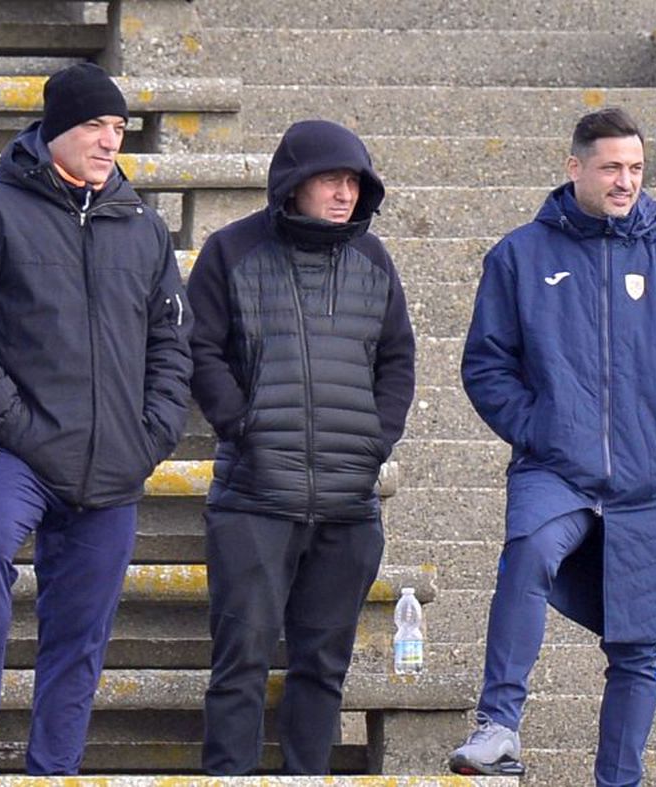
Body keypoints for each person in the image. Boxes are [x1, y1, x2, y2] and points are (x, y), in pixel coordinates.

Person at [0, 62, 192, 778]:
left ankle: (54, 766)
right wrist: (12, 418)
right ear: (55, 130)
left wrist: (152, 434)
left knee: (83, 628)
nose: (110, 141)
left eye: (119, 129)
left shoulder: (144, 227)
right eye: (95, 126)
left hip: (114, 459)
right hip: (17, 446)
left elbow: (172, 342)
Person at [450, 108, 656, 785]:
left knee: (637, 647)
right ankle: (498, 727)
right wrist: (541, 428)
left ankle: (619, 780)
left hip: (649, 480)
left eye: (635, 168)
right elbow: (487, 365)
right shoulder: (520, 256)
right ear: (574, 167)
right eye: (611, 167)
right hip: (556, 467)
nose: (625, 181)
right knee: (529, 552)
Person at [187, 119, 416, 775]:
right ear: (294, 184)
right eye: (330, 180)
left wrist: (374, 440)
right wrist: (242, 424)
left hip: (348, 504)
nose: (345, 194)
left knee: (323, 666)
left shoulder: (374, 260)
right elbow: (198, 348)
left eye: (354, 182)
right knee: (241, 661)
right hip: (254, 498)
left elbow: (398, 359)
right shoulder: (231, 251)